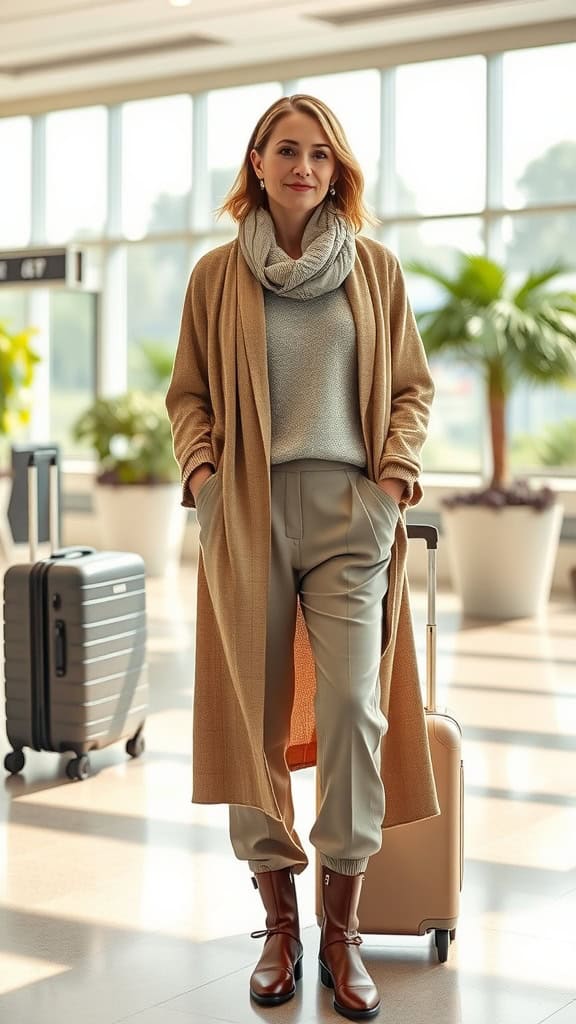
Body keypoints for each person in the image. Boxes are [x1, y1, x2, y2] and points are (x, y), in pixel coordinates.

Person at [165, 94, 439, 1021]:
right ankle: (279, 923)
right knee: (254, 715)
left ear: (337, 170)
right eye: (289, 150)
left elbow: (410, 388)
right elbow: (188, 395)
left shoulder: (375, 270)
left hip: (350, 511)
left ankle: (342, 928)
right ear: (257, 159)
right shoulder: (214, 277)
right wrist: (203, 478)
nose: (305, 168)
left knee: (353, 706)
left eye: (322, 154)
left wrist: (393, 482)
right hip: (244, 511)